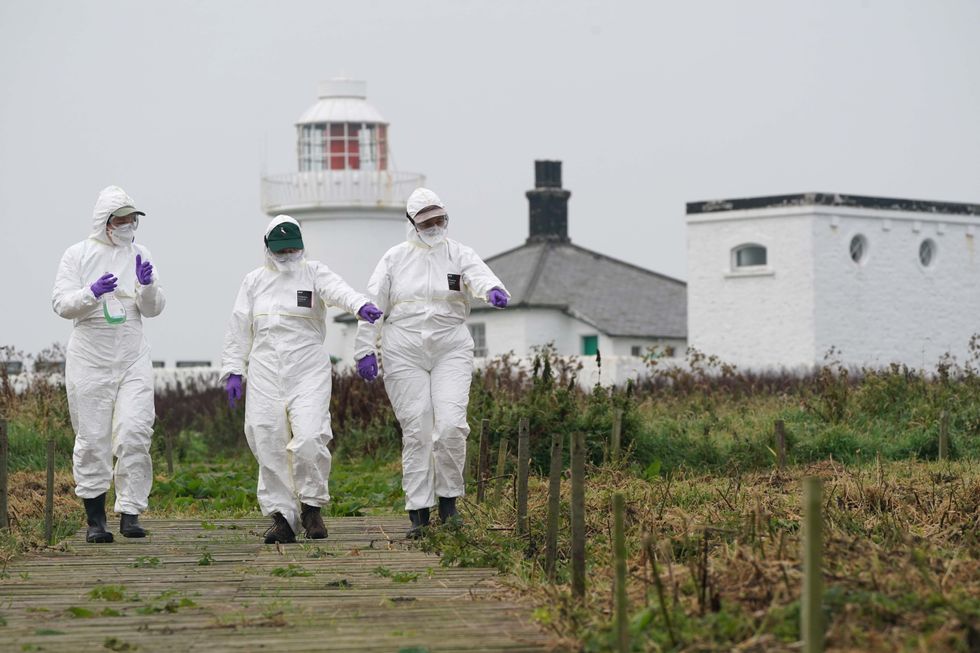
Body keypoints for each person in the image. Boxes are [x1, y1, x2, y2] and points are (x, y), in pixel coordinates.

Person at [354, 188, 509, 538]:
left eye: (440, 218)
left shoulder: (459, 254)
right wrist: (365, 349)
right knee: (418, 430)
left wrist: (493, 289)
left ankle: (450, 502)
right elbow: (373, 305)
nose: (436, 226)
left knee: (452, 425)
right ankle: (419, 513)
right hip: (403, 351)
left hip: (450, 348)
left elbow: (480, 274)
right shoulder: (394, 259)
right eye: (428, 221)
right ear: (412, 223)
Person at [220, 215, 382, 544]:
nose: (288, 254)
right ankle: (282, 517)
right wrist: (233, 371)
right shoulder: (253, 282)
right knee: (266, 439)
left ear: (302, 247)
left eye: (293, 248)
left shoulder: (314, 272)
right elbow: (238, 329)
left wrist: (360, 305)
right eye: (281, 250)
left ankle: (311, 507)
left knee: (309, 436)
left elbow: (339, 291)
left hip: (307, 366)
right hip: (265, 367)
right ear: (267, 248)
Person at [52, 185, 165, 543]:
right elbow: (61, 304)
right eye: (122, 219)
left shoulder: (141, 253)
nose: (129, 225)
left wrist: (147, 287)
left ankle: (130, 512)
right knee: (93, 437)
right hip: (90, 357)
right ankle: (95, 520)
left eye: (133, 219)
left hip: (132, 354)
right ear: (105, 222)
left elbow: (154, 308)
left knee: (134, 430)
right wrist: (92, 293)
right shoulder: (77, 255)